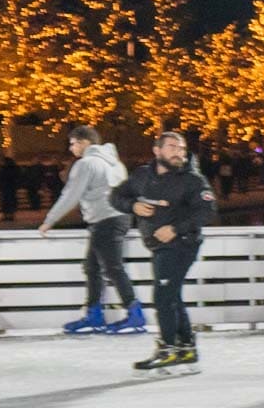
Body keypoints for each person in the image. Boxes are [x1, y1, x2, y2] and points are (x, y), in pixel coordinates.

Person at [110, 132, 216, 377]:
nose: (178, 152)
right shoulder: (142, 175)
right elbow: (116, 196)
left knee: (163, 297)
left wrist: (176, 229)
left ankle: (168, 348)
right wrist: (132, 206)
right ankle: (186, 348)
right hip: (157, 246)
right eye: (171, 147)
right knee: (172, 296)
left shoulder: (192, 180)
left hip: (182, 244)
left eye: (181, 148)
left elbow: (207, 210)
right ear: (157, 151)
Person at [40, 126, 142, 336]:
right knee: (93, 268)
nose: (71, 148)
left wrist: (50, 220)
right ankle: (94, 315)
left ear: (85, 142)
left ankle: (134, 315)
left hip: (105, 219)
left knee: (113, 267)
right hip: (119, 217)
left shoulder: (86, 164)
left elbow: (71, 194)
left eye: (73, 143)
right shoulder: (115, 163)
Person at [0, 156, 19, 222]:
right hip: (11, 188)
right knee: (10, 201)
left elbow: (0, 178)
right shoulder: (15, 169)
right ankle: (10, 215)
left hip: (6, 188)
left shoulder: (3, 169)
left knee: (6, 202)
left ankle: (7, 215)